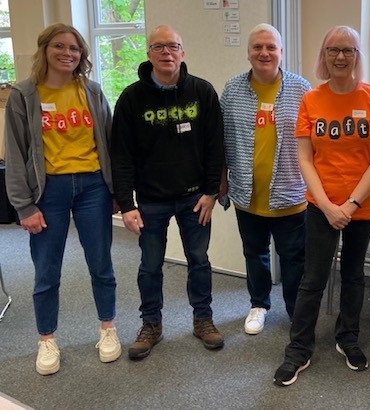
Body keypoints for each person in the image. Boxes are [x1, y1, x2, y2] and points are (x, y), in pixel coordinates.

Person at [273, 25, 370, 387]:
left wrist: (352, 203)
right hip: (321, 206)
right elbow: (305, 158)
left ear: (358, 56)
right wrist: (328, 206)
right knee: (313, 278)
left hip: (364, 206)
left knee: (355, 274)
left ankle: (348, 338)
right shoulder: (312, 99)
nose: (341, 57)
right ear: (324, 56)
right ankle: (299, 349)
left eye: (349, 50)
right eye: (333, 50)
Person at [4, 23, 121, 375]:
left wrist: (116, 192)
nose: (67, 54)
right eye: (60, 46)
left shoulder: (93, 91)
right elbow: (15, 152)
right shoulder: (24, 95)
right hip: (48, 190)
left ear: (81, 55)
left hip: (93, 188)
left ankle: (108, 329)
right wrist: (23, 205)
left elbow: (111, 145)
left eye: (74, 49)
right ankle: (47, 339)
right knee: (46, 269)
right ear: (45, 50)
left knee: (101, 263)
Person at [111, 25, 225, 360]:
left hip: (195, 198)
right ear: (148, 54)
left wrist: (210, 193)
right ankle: (151, 325)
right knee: (149, 265)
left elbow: (214, 146)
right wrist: (127, 204)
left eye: (173, 46)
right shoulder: (131, 99)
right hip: (150, 201)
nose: (167, 52)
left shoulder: (202, 92)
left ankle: (203, 319)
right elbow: (121, 155)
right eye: (159, 46)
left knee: (199, 261)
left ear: (182, 52)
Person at [219, 24, 311, 335]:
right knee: (254, 253)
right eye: (258, 47)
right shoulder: (232, 90)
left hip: (290, 192)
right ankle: (258, 304)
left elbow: (315, 142)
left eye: (271, 47)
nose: (264, 53)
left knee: (293, 258)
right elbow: (221, 139)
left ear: (281, 53)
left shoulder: (301, 89)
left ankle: (294, 310)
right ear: (248, 52)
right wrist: (221, 182)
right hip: (247, 193)